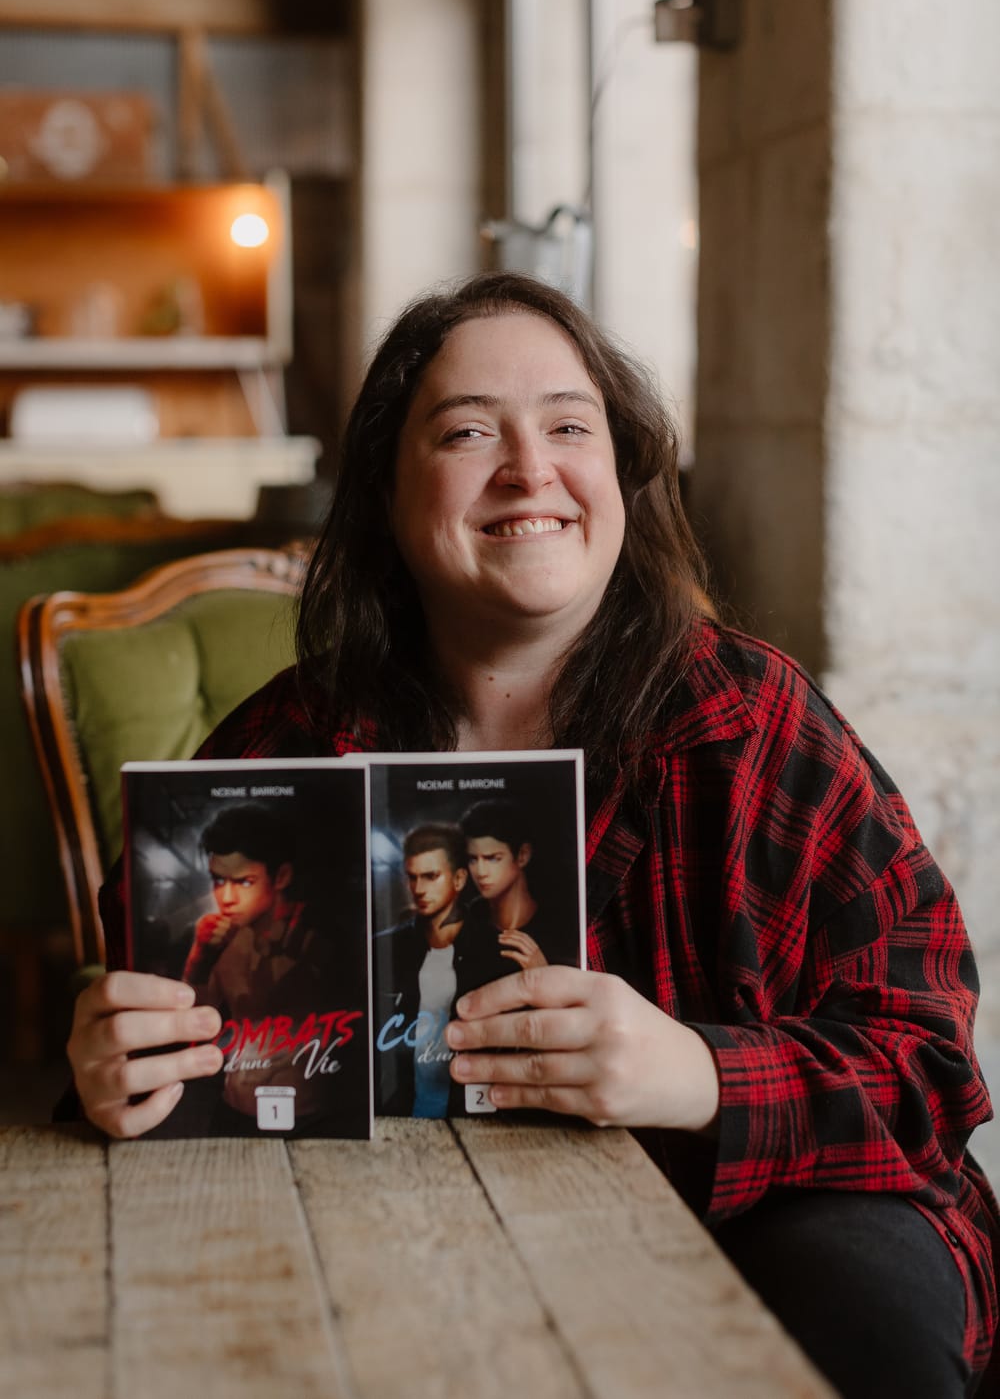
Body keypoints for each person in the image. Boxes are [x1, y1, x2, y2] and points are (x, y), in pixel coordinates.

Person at [67, 270, 998, 1396]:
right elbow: (137, 1028)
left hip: (768, 1209)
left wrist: (694, 1071)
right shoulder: (287, 742)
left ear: (619, 475)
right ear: (385, 490)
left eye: (569, 425)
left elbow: (928, 1065)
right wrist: (116, 1060)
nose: (529, 470)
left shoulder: (749, 723)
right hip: (384, 1215)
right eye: (468, 432)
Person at [375, 821, 471, 1116]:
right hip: (399, 1113)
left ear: (458, 879)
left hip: (470, 1112)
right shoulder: (385, 948)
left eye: (430, 877)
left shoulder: (488, 947)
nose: (418, 889)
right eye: (412, 877)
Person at [459, 796, 577, 985]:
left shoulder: (560, 928)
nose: (480, 872)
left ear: (522, 855)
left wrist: (544, 978)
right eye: (473, 859)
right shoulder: (465, 925)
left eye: (493, 858)